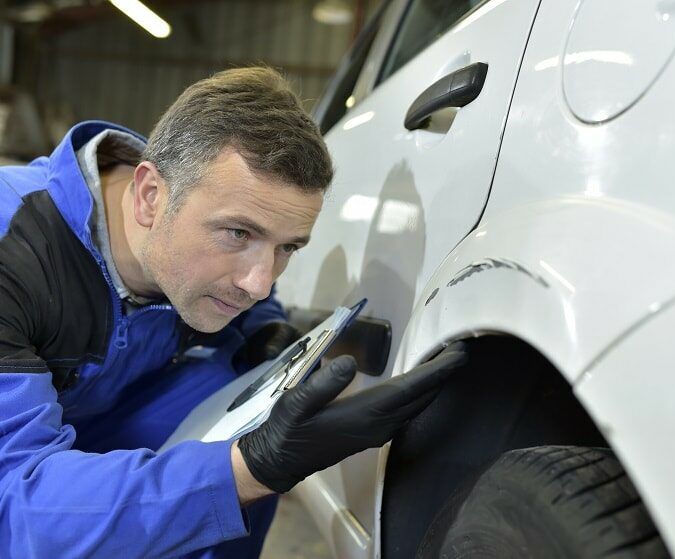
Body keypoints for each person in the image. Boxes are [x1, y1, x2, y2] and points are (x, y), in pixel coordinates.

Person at [0, 66, 467, 557]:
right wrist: (249, 470)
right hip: (17, 475)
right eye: (238, 234)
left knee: (257, 413)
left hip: (85, 422)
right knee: (234, 470)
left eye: (287, 247)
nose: (260, 282)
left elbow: (259, 307)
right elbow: (13, 507)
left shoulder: (193, 233)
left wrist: (267, 335)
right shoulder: (17, 251)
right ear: (150, 197)